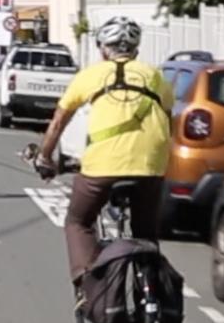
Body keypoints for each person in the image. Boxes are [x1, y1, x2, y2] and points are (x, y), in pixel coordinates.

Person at [34, 16, 174, 290]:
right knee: (146, 232)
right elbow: (169, 120)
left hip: (103, 166)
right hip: (151, 165)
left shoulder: (90, 75)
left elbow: (59, 121)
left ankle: (90, 288)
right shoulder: (155, 75)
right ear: (136, 50)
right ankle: (151, 294)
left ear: (102, 49)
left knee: (78, 222)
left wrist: (44, 157)